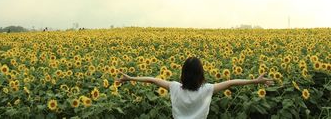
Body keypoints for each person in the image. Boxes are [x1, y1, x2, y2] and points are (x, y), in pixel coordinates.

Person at [115, 57, 274, 119]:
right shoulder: (207, 89)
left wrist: (130, 78)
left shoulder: (174, 87)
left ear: (183, 73)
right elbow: (232, 82)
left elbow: (153, 80)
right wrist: (255, 81)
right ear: (201, 74)